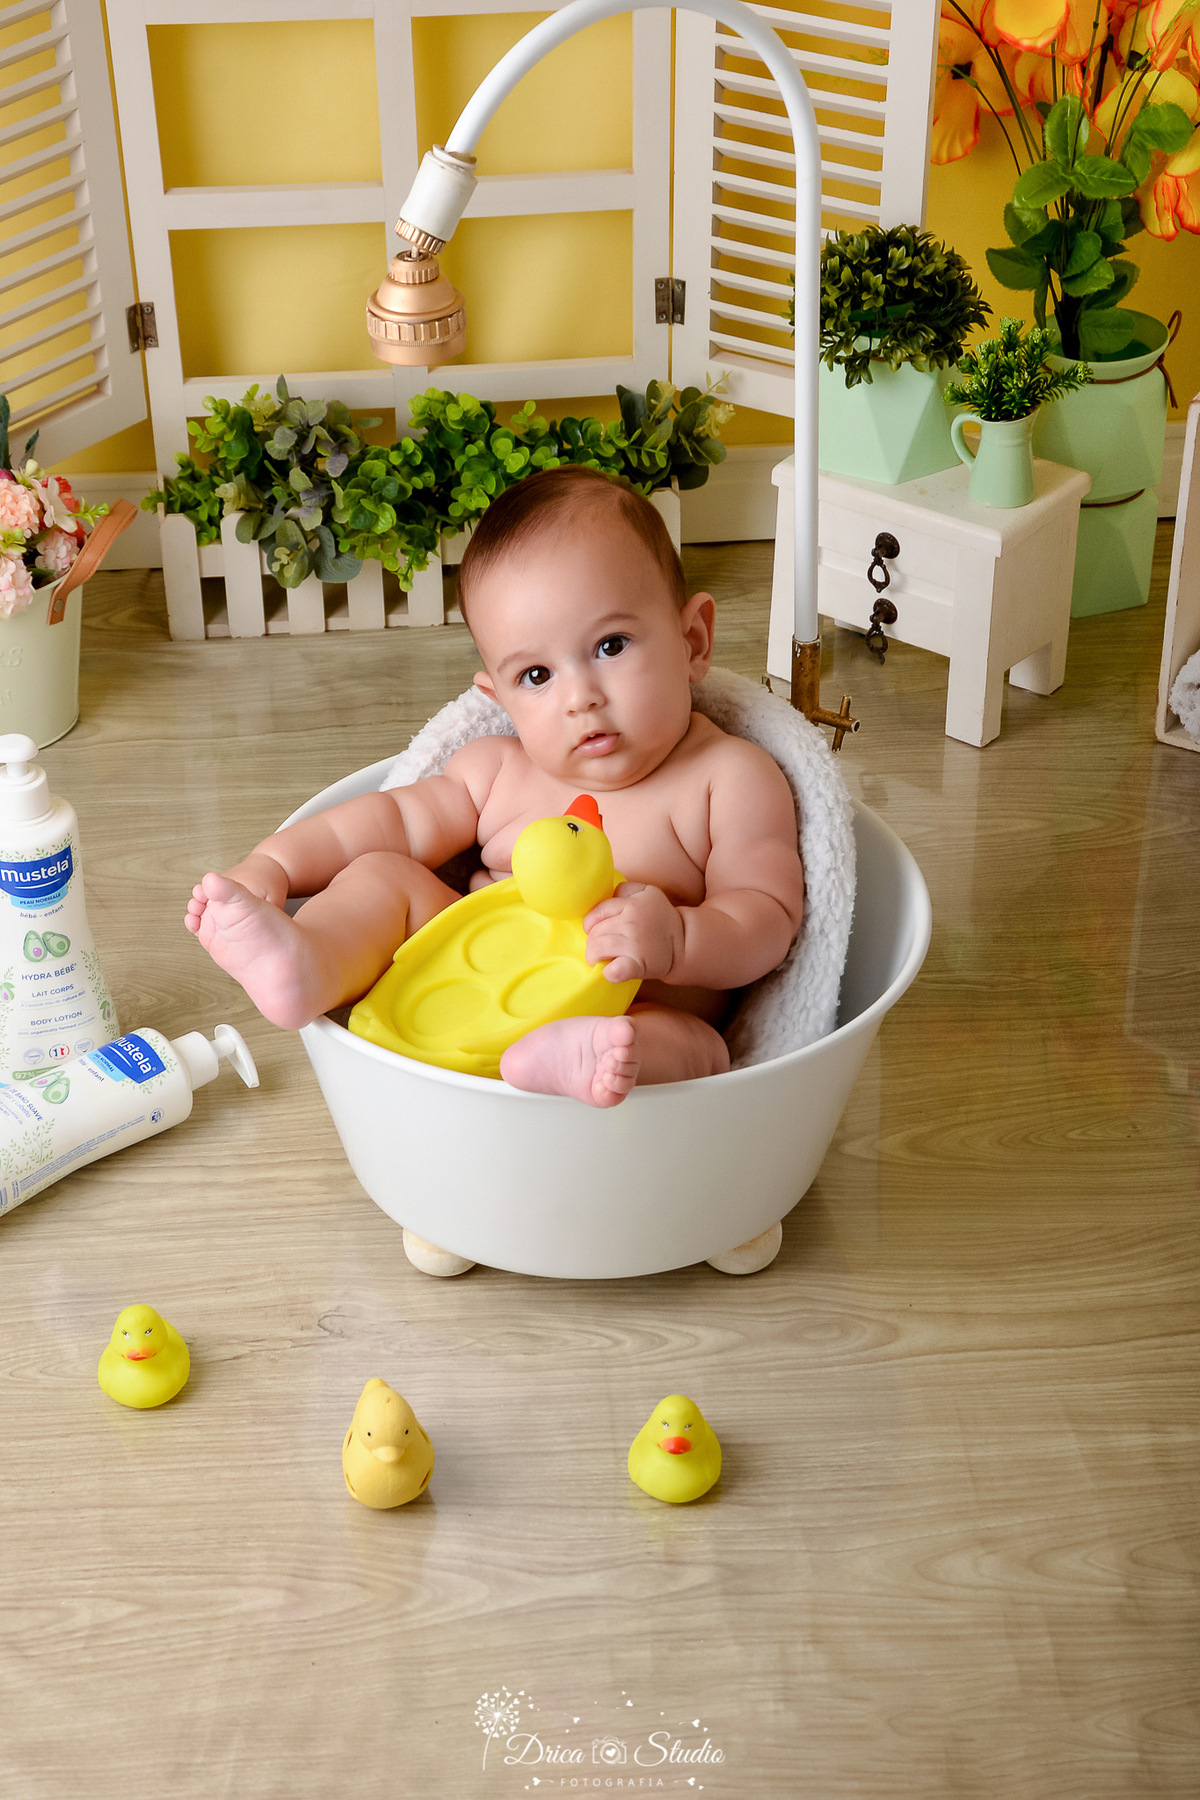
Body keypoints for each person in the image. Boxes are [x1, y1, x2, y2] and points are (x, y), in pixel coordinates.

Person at [186, 466, 805, 1108]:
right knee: (381, 874)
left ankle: (579, 1057)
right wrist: (274, 862)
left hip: (636, 1000)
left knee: (700, 1051)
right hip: (463, 983)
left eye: (610, 644)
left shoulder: (727, 777)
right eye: (537, 675)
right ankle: (311, 962)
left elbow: (767, 916)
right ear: (500, 697)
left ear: (692, 641)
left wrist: (678, 941)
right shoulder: (497, 771)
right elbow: (385, 820)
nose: (580, 698)